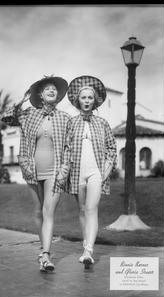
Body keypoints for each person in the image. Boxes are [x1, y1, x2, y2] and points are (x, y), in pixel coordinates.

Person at [1, 75, 71, 272]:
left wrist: (64, 169)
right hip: (32, 169)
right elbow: (6, 117)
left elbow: (68, 147)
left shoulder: (65, 118)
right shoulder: (29, 114)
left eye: (54, 89)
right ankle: (44, 248)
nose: (51, 91)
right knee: (39, 210)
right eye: (47, 88)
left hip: (55, 172)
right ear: (39, 94)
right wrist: (21, 101)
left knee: (49, 211)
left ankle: (46, 256)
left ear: (58, 96)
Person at [65, 75, 117, 269]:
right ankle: (85, 242)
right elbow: (66, 148)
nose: (86, 101)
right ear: (78, 100)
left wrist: (108, 167)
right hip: (77, 172)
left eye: (90, 98)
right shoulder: (71, 123)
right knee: (81, 210)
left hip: (96, 172)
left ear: (95, 101)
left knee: (92, 208)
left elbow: (112, 148)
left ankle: (88, 251)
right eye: (83, 97)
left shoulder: (102, 123)